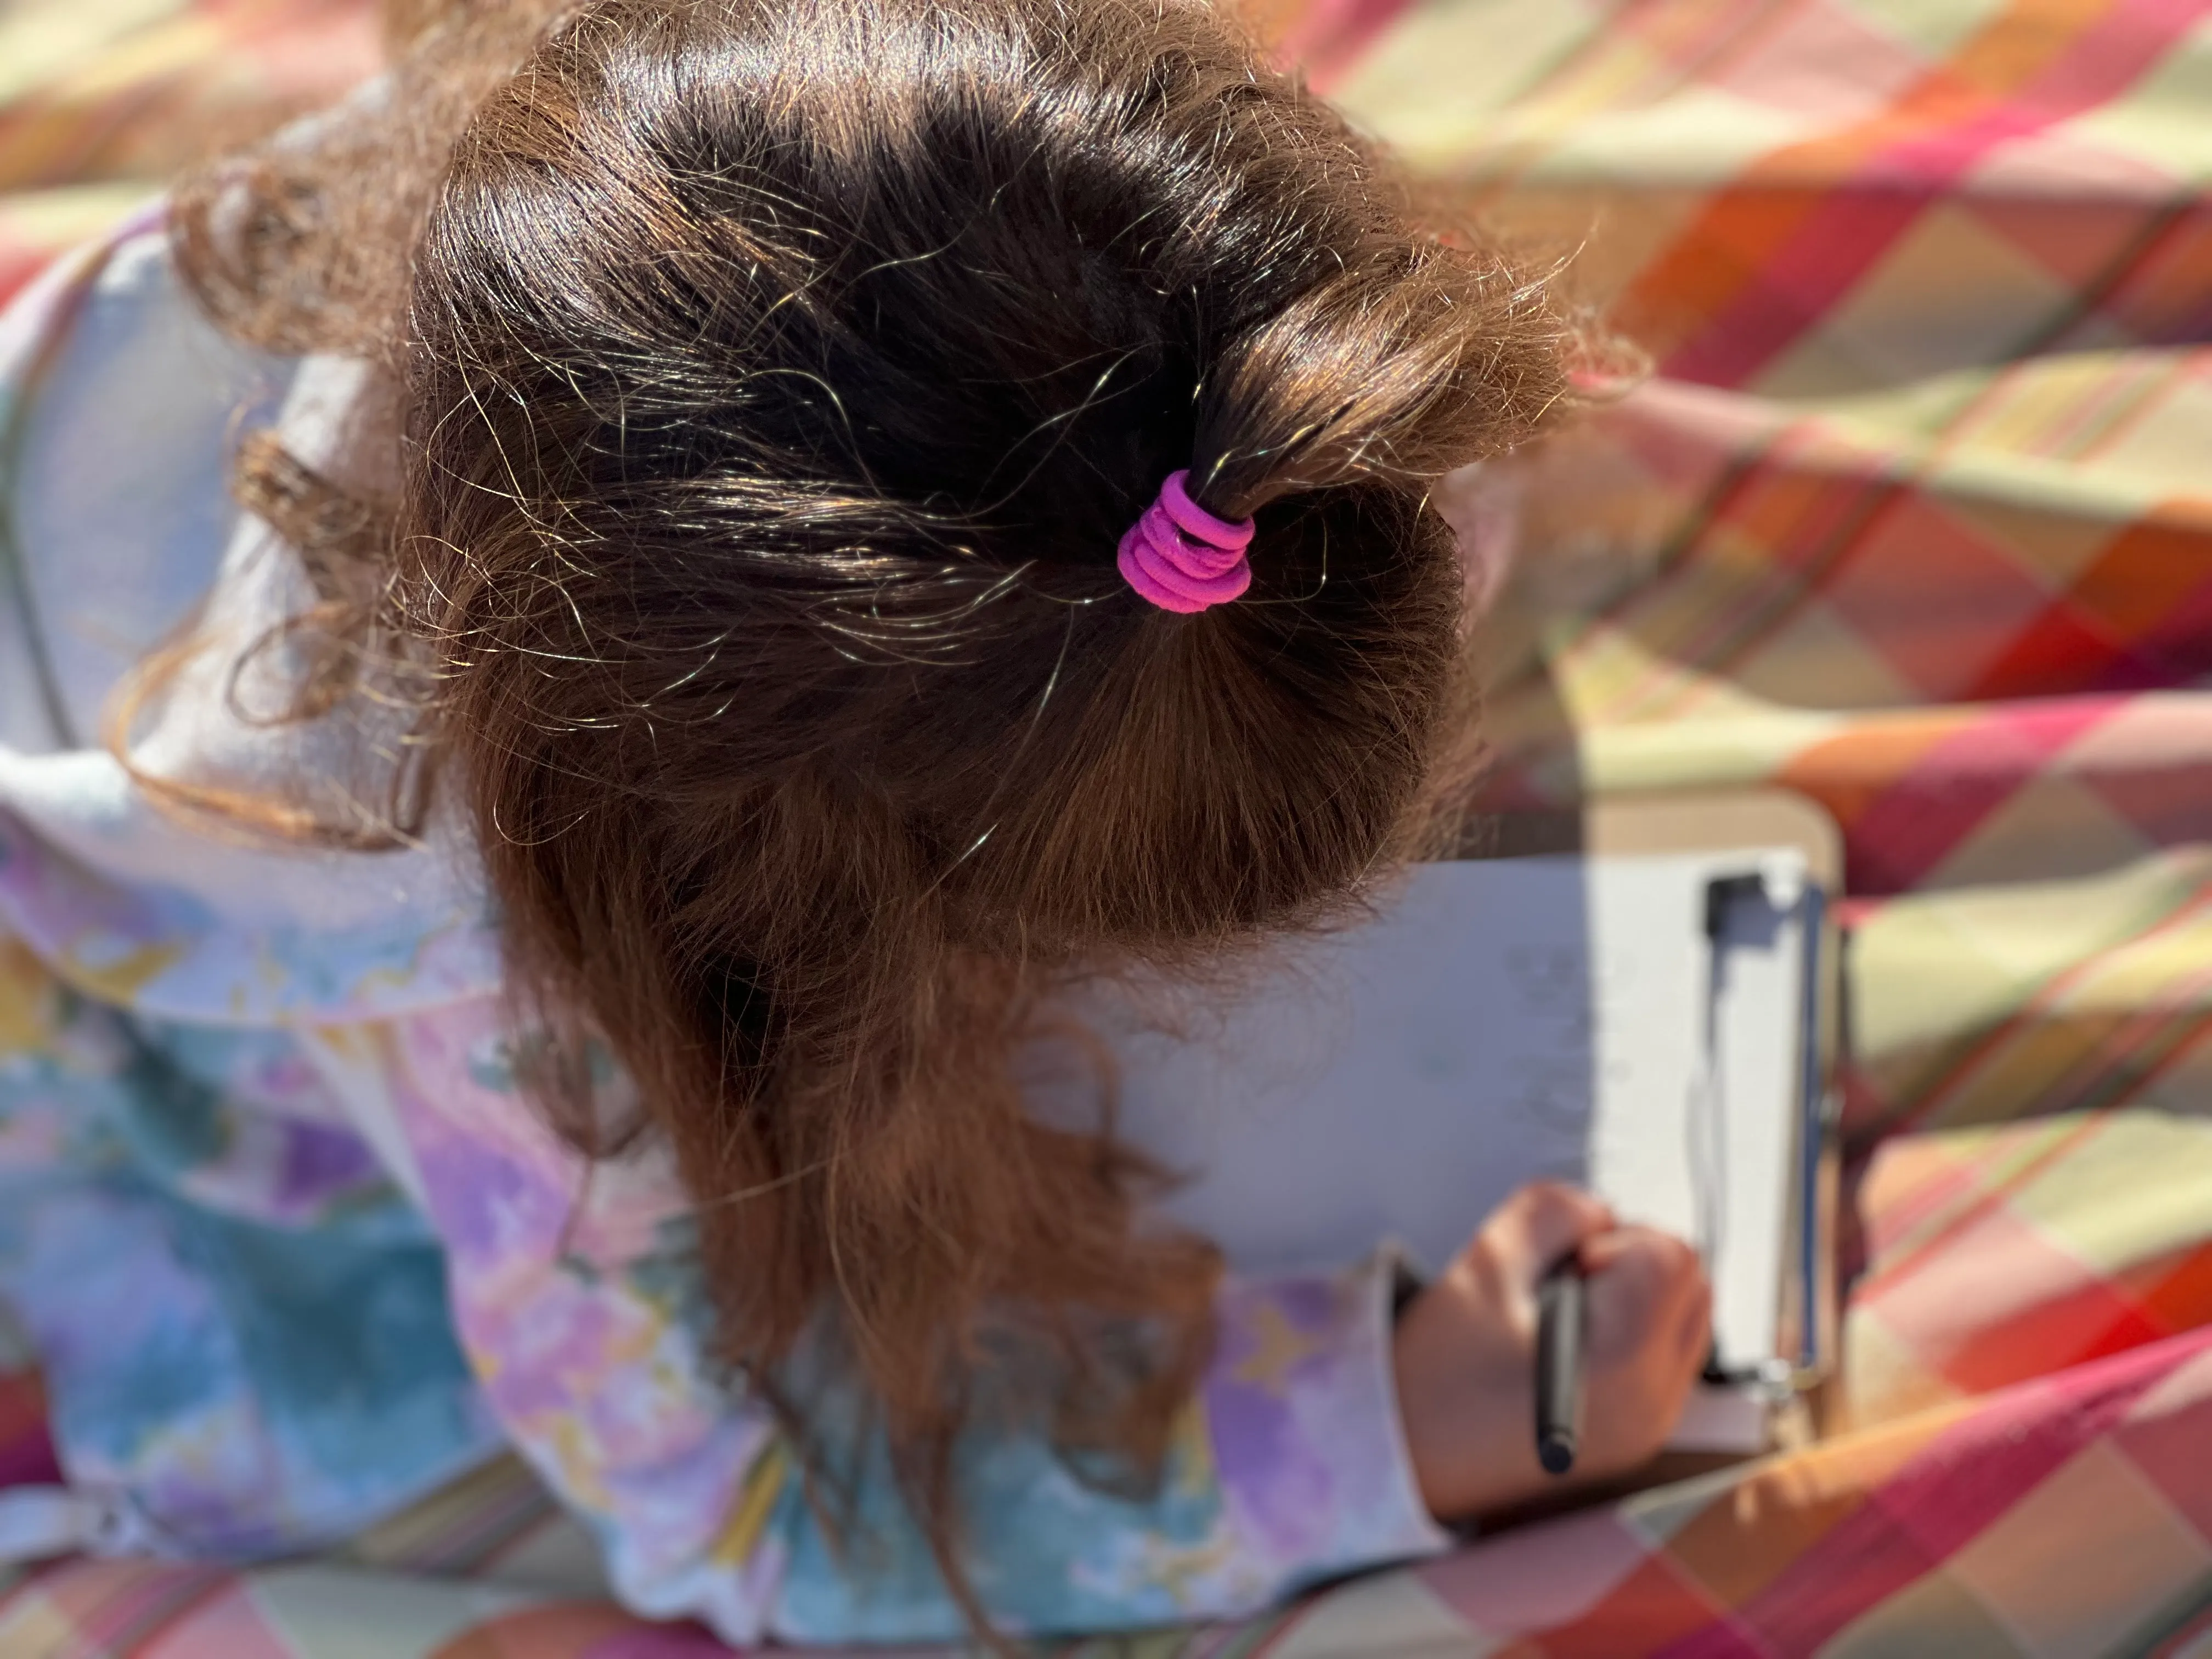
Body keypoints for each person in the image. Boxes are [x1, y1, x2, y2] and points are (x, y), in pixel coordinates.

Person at [0, 0, 1710, 1640]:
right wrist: (1374, 1430)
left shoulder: (780, 106)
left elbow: (1158, 484)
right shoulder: (515, 1049)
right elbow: (739, 1518)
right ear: (809, 922)